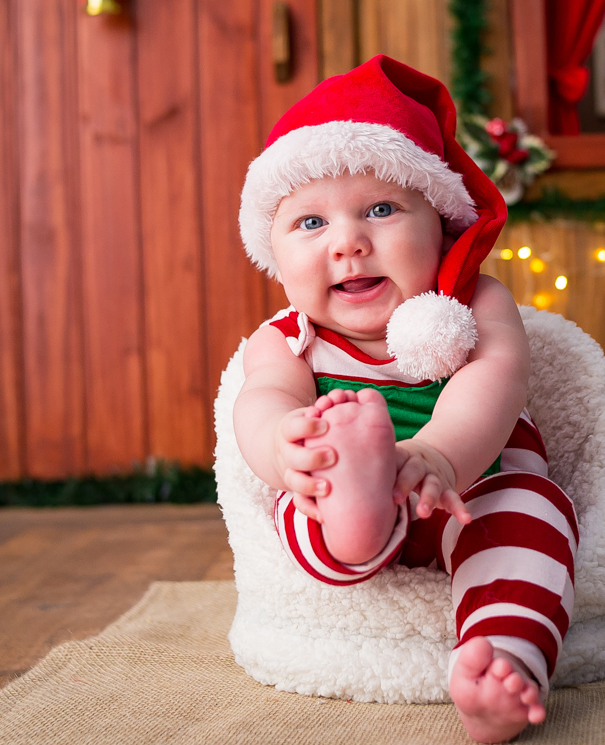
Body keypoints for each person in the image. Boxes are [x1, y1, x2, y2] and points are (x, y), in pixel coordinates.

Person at [233, 56, 577, 743]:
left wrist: (440, 455)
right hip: (347, 494)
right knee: (300, 502)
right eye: (309, 224)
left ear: (444, 226)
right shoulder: (287, 339)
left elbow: (495, 380)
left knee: (531, 512)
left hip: (470, 485)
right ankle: (352, 519)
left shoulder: (475, 302)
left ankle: (503, 663)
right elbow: (262, 402)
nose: (349, 243)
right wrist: (285, 449)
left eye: (382, 209)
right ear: (270, 251)